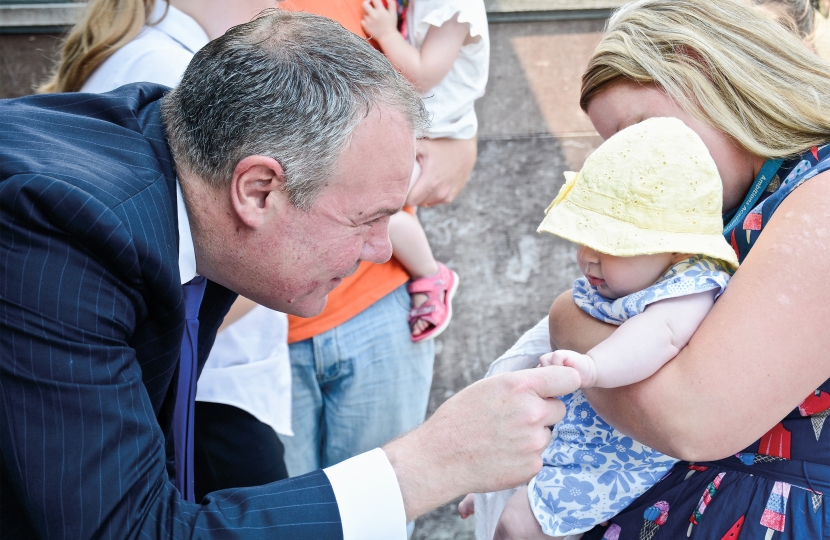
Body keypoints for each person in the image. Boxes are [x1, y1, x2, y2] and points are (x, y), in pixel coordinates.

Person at [0, 10, 581, 539]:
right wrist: (432, 462)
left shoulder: (182, 160)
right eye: (365, 219)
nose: (381, 249)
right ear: (258, 190)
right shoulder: (64, 234)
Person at [532, 0, 830, 537]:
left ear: (703, 69)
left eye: (641, 129)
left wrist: (567, 319)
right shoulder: (733, 204)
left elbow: (693, 418)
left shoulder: (822, 193)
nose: (633, 160)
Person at [38, 0, 295, 500]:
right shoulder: (168, 69)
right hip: (205, 394)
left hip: (207, 385)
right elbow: (169, 271)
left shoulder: (158, 56)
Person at [459, 118, 737, 540]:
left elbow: (657, 335)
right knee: (507, 476)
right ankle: (492, 493)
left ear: (676, 245)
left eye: (610, 246)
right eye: (584, 240)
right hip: (571, 428)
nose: (588, 257)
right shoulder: (637, 275)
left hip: (612, 454)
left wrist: (593, 366)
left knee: (518, 525)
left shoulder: (689, 287)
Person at [277, 0, 479, 480]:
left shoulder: (379, 7)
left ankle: (434, 278)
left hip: (377, 305)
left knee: (380, 510)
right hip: (256, 329)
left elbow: (425, 89)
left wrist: (461, 143)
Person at [361, 0, 488, 340]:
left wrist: (386, 33)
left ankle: (431, 275)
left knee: (370, 207)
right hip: (424, 132)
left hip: (441, 135)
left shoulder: (452, 9)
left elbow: (423, 75)